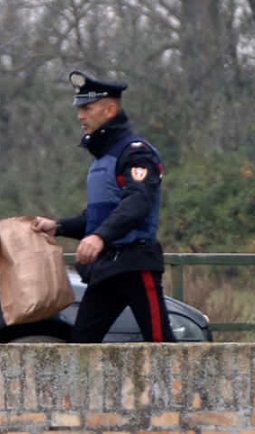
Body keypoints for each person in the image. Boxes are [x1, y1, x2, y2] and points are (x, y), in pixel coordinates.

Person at [33, 70, 175, 343]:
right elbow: (99, 217)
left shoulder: (135, 152)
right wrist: (58, 226)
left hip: (135, 264)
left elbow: (138, 202)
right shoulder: (102, 159)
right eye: (79, 109)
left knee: (162, 348)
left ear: (110, 109)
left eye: (87, 108)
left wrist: (99, 237)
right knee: (82, 347)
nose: (80, 116)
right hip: (107, 269)